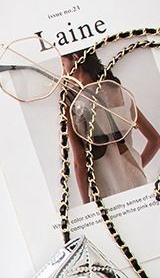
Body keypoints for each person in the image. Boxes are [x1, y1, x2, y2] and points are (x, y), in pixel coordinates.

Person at [61, 51, 160, 201]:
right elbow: (155, 140)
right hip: (136, 178)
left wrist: (86, 205)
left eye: (63, 64)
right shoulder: (119, 91)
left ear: (75, 58)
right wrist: (138, 165)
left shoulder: (73, 103)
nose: (63, 72)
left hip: (106, 185)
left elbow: (79, 162)